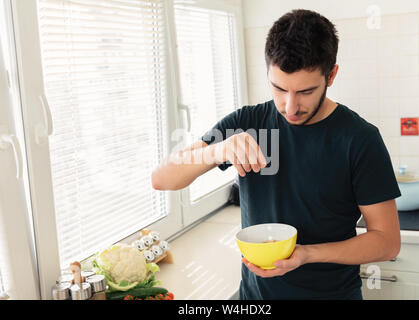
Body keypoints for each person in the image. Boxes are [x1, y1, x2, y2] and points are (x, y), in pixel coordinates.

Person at [152, 9, 401, 300]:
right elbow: (162, 179)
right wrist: (217, 150)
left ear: (331, 75)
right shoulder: (248, 123)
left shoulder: (359, 139)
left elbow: (387, 242)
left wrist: (307, 254)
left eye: (306, 92)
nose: (290, 106)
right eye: (279, 88)